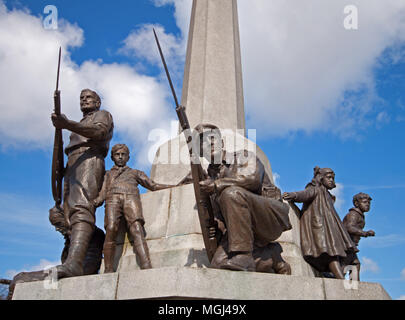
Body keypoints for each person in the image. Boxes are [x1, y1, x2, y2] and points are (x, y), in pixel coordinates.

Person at [194, 124, 292, 272]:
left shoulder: (242, 156)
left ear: (222, 143)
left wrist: (217, 185)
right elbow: (222, 215)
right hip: (243, 227)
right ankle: (270, 256)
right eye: (204, 142)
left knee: (231, 193)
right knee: (218, 264)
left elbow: (252, 179)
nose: (210, 143)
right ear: (201, 152)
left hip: (270, 216)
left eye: (213, 138)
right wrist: (217, 225)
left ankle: (244, 256)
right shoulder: (210, 179)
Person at [51, 88, 114, 278]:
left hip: (89, 157)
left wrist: (67, 124)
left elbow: (99, 132)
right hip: (73, 164)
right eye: (81, 98)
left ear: (97, 102)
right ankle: (74, 256)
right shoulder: (80, 122)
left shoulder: (103, 115)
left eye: (89, 98)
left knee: (81, 208)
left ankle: (75, 263)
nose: (84, 100)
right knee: (64, 213)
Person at [93, 144, 173, 272]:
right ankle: (108, 268)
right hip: (112, 199)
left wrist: (175, 186)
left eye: (123, 154)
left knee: (137, 229)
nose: (120, 157)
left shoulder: (135, 173)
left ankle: (146, 265)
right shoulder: (107, 175)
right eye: (117, 155)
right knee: (111, 229)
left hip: (131, 198)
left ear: (128, 157)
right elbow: (102, 194)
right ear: (112, 157)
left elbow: (153, 185)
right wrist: (94, 202)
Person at [282, 167, 357, 279]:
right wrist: (294, 195)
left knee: (337, 255)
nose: (331, 180)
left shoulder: (327, 194)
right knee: (332, 255)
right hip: (320, 229)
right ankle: (341, 280)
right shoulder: (316, 188)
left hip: (329, 229)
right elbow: (306, 194)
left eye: (333, 178)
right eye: (329, 177)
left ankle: (340, 277)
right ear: (321, 178)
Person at [342, 192, 375, 280]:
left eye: (369, 203)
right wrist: (365, 233)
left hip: (351, 245)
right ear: (356, 204)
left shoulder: (359, 215)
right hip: (346, 244)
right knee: (346, 264)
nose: (367, 204)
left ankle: (354, 285)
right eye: (364, 202)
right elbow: (349, 227)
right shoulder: (354, 214)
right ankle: (338, 280)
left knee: (355, 263)